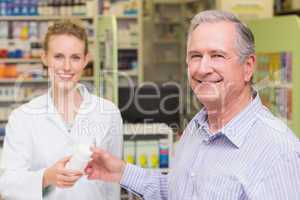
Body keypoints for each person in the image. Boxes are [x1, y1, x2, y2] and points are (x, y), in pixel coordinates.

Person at [84, 10, 300, 200]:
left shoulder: (277, 150)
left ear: (248, 66)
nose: (203, 68)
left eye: (217, 56)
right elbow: (180, 191)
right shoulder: (196, 128)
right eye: (195, 56)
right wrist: (121, 172)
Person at [0, 20, 123, 200]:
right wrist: (46, 177)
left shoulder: (108, 113)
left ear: (85, 60)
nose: (66, 67)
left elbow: (113, 184)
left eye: (75, 57)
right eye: (58, 56)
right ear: (45, 58)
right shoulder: (22, 117)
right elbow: (7, 184)